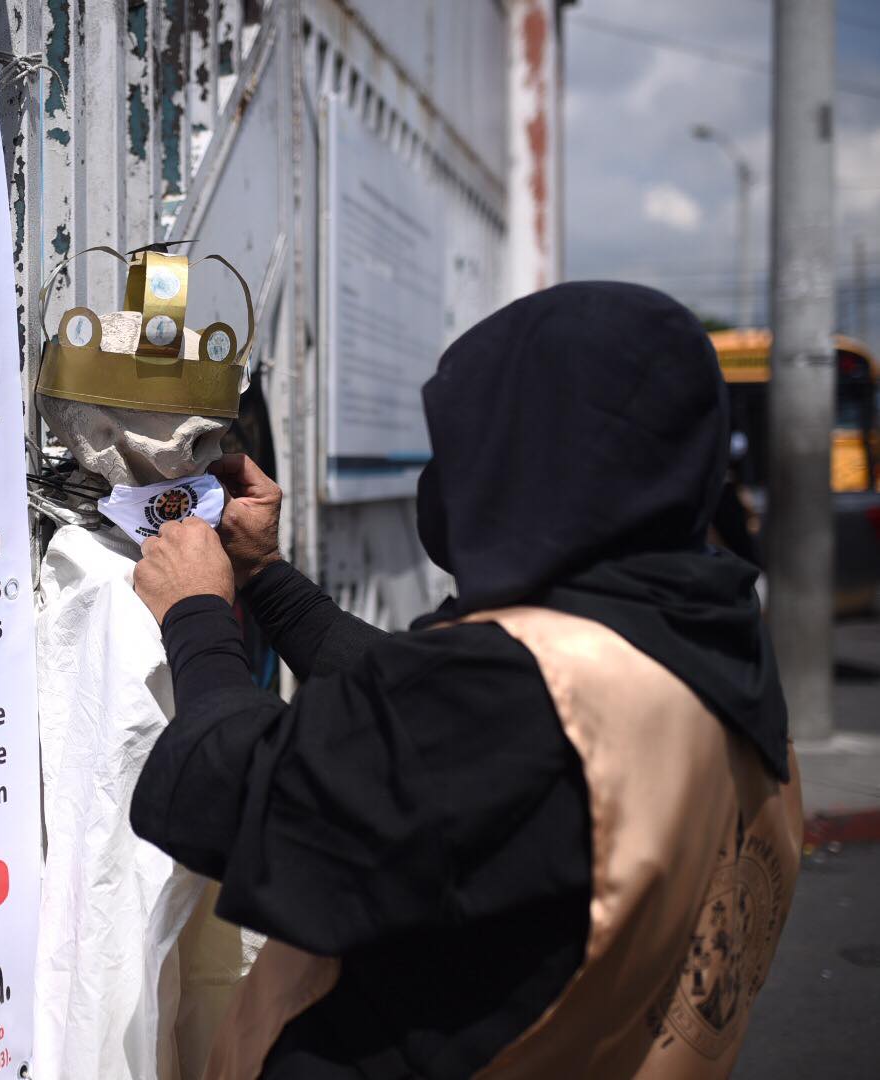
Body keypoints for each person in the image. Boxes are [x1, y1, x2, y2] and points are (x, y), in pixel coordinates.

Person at [128, 282, 803, 1079]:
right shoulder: (704, 640)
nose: (448, 476)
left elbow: (231, 797)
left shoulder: (523, 699)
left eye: (467, 445)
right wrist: (265, 577)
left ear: (535, 457)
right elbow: (418, 730)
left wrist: (198, 614)